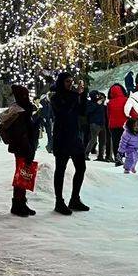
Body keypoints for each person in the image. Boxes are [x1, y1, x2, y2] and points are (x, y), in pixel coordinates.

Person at [50, 72, 89, 215]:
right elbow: (64, 111)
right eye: (67, 81)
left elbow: (82, 111)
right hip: (62, 137)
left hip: (74, 136)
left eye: (71, 81)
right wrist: (76, 96)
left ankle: (74, 198)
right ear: (61, 82)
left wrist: (82, 95)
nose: (70, 84)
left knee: (81, 167)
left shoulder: (73, 96)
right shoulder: (56, 97)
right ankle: (59, 201)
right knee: (60, 169)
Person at [0, 84, 39, 217]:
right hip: (22, 148)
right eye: (25, 95)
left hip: (24, 147)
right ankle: (17, 204)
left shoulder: (23, 110)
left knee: (23, 175)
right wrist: (28, 150)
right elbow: (22, 134)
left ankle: (21, 202)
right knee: (21, 176)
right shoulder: (20, 112)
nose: (27, 98)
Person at [106, 84, 129, 166]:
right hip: (124, 125)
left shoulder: (110, 103)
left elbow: (108, 115)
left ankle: (118, 159)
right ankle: (125, 157)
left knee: (116, 142)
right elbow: (130, 111)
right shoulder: (126, 100)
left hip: (113, 126)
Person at [87, 91, 107, 161]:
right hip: (94, 123)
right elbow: (89, 110)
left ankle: (101, 156)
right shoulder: (90, 103)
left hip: (102, 123)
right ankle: (85, 154)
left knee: (103, 140)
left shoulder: (100, 103)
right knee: (93, 139)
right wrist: (97, 104)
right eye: (97, 95)